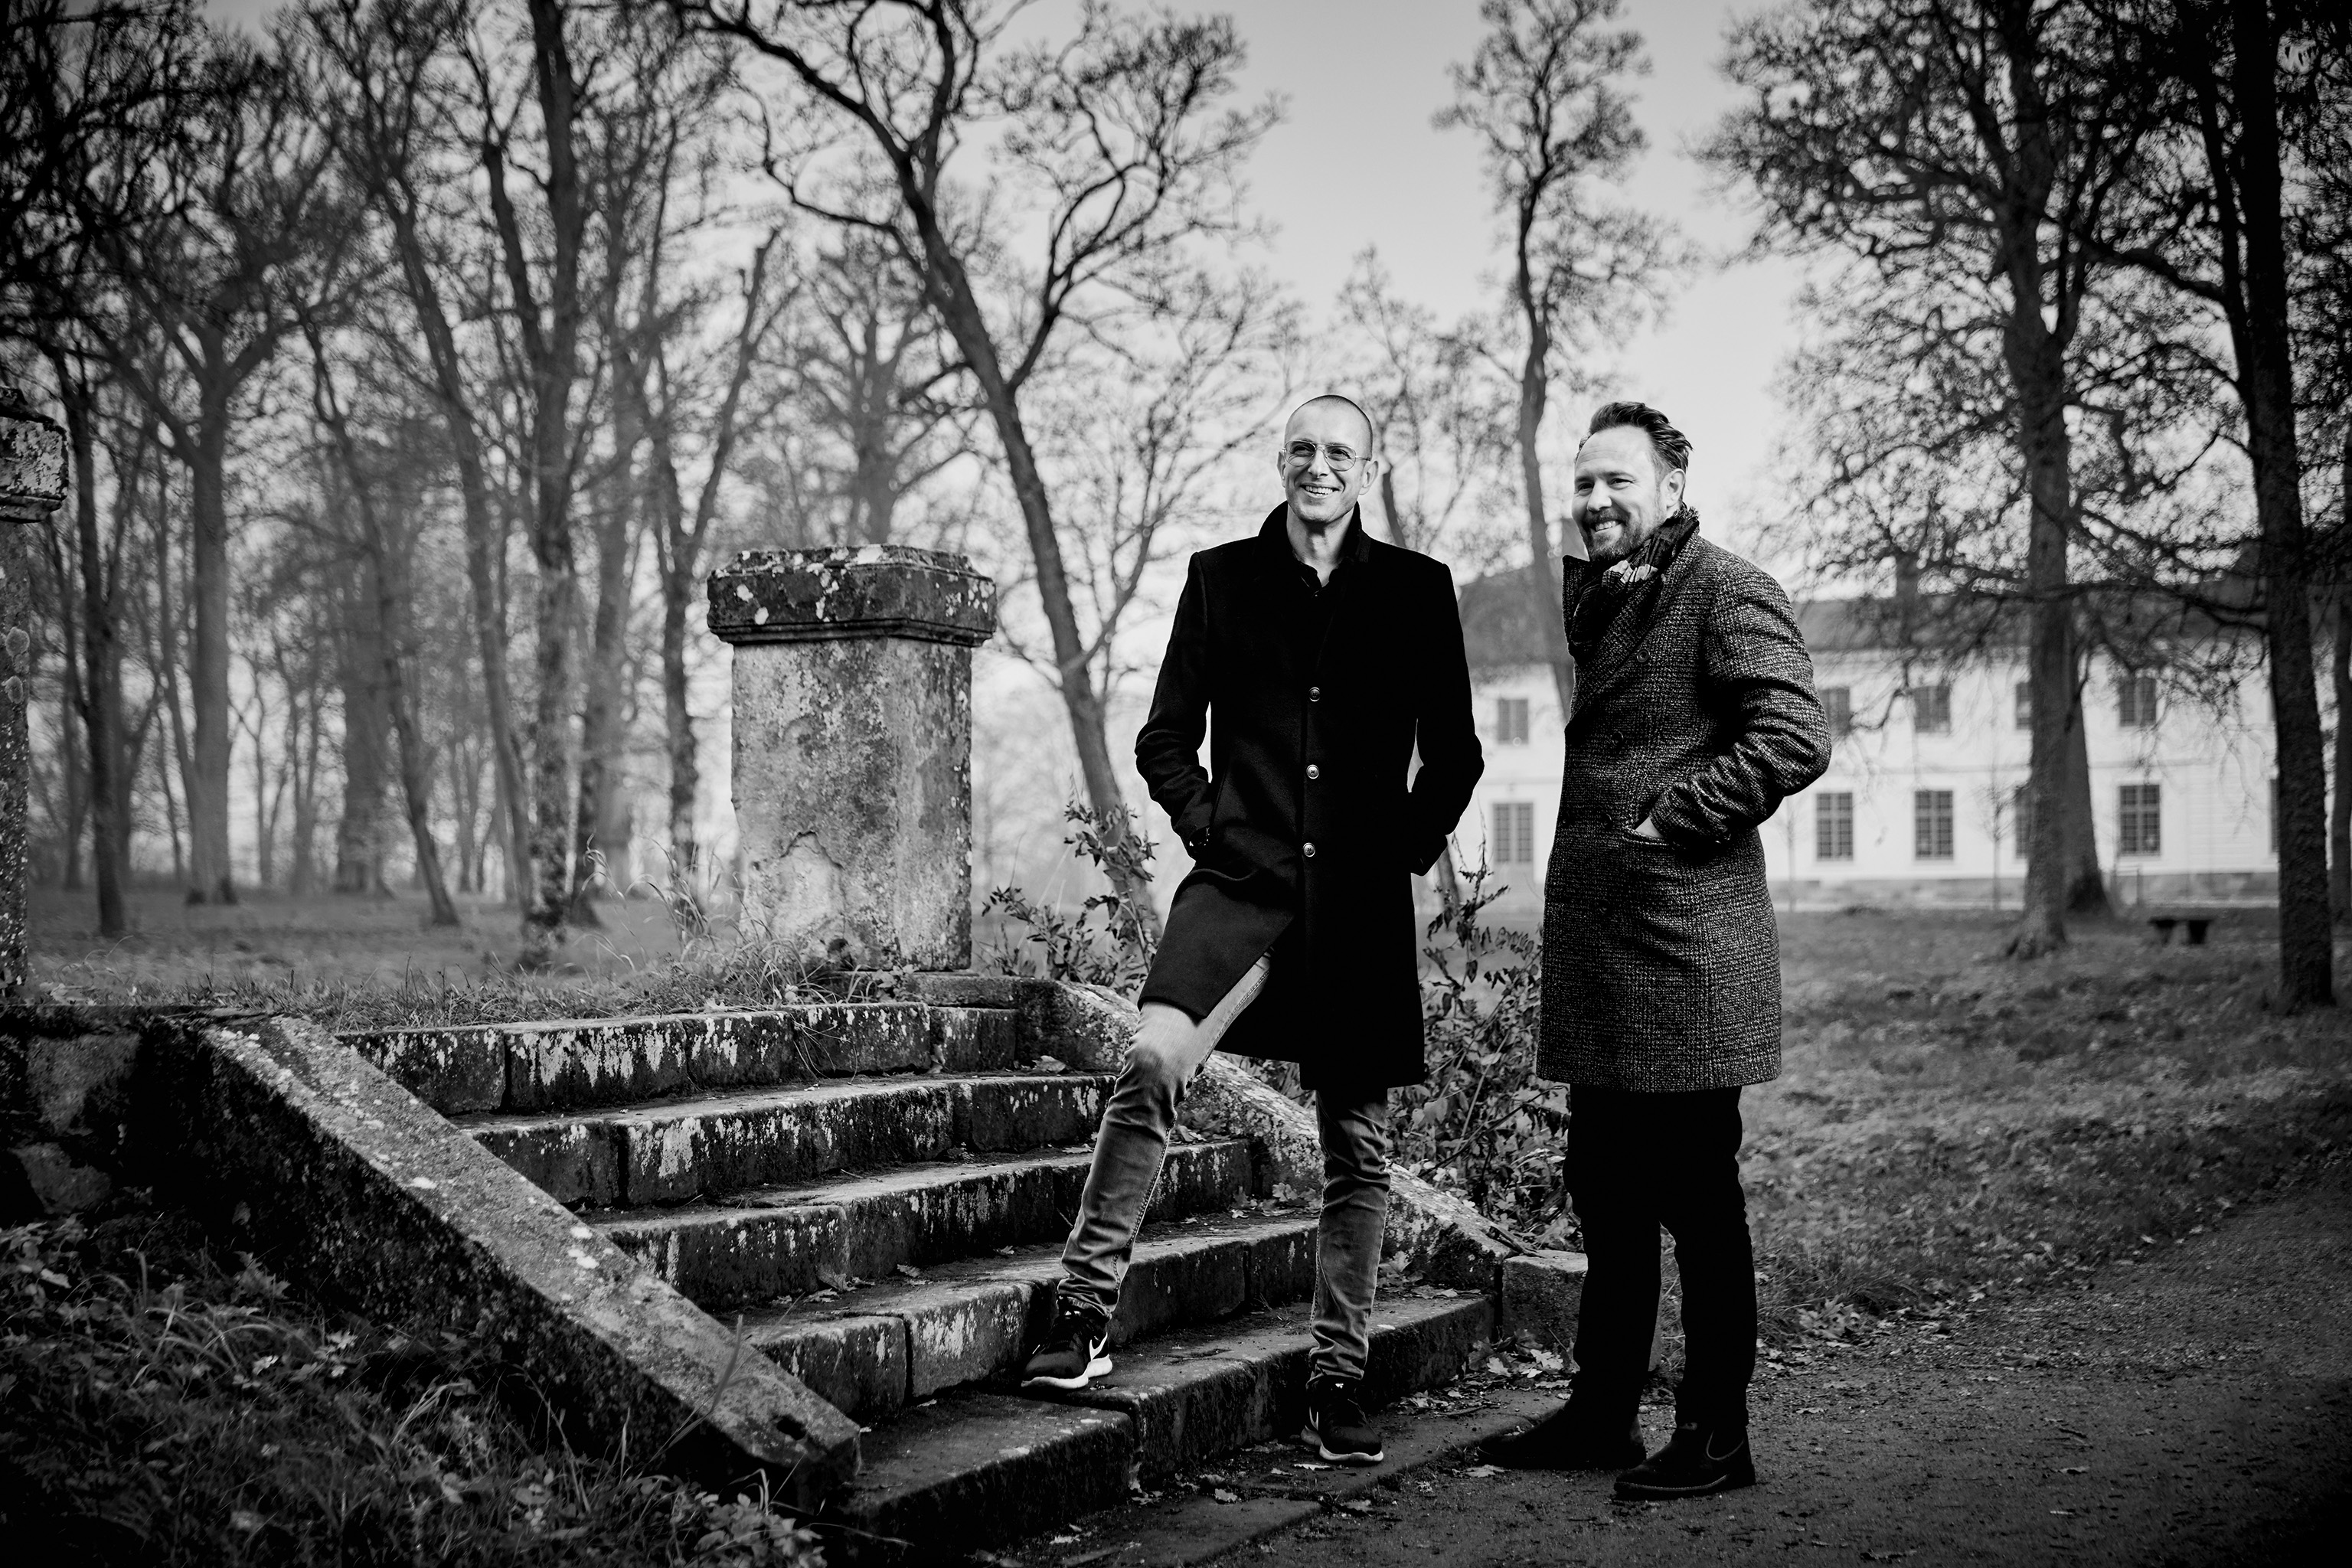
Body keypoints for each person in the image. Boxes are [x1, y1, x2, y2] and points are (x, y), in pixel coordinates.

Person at [1020, 393, 1485, 1467]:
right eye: (1303, 449)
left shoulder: (1418, 590)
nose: (1321, 466)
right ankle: (1084, 1310)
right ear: (1281, 462)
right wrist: (1211, 826)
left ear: (1369, 469)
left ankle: (1338, 1374)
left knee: (1357, 1148)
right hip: (1241, 891)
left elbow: (1455, 755)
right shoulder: (1219, 579)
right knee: (1151, 1059)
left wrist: (1400, 853)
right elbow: (1164, 738)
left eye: (1341, 452)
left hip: (1359, 907)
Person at [1481, 401, 1830, 1498]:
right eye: (1584, 483)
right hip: (1606, 953)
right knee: (1608, 1191)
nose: (1595, 500)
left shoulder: (1724, 589)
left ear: (1673, 489)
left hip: (1684, 950)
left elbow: (1795, 735)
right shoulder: (1609, 593)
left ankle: (1717, 1437)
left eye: (1617, 481)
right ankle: (1602, 1415)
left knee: (1697, 1198)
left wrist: (1669, 816)